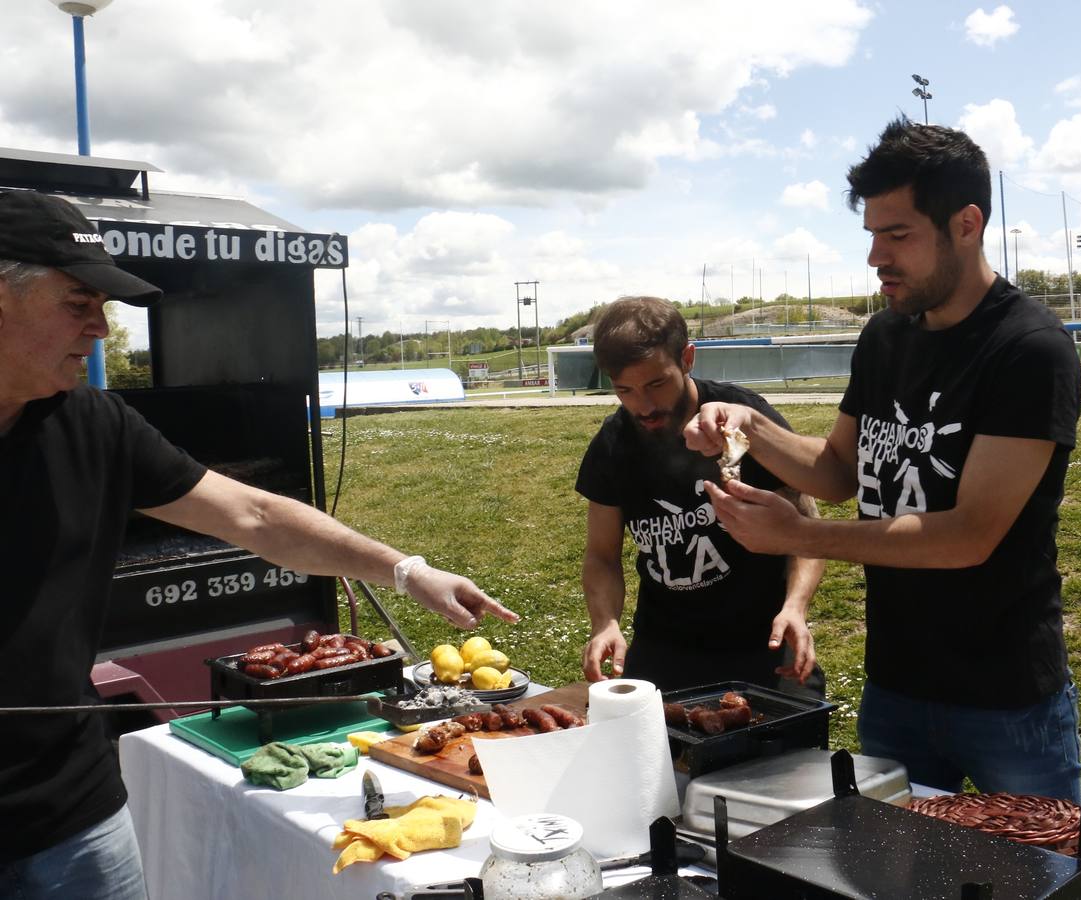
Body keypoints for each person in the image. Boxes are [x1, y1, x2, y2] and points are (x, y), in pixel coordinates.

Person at [0, 189, 519, 900]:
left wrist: (404, 570)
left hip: (72, 812)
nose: (99, 327)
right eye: (77, 302)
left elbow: (254, 516)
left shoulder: (94, 423)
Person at [684, 118, 1081, 802]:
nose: (876, 257)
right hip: (896, 684)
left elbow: (969, 535)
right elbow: (840, 470)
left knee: (1038, 871)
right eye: (871, 234)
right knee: (895, 870)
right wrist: (753, 424)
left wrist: (802, 536)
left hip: (1007, 697)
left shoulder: (1029, 350)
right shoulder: (886, 334)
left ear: (966, 224)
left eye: (897, 235)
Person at [574, 296, 826, 697]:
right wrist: (605, 623)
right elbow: (601, 555)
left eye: (657, 383)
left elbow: (806, 530)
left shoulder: (742, 418)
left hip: (762, 644)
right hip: (663, 649)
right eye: (625, 390)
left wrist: (795, 606)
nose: (645, 406)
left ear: (687, 358)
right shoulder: (613, 445)